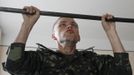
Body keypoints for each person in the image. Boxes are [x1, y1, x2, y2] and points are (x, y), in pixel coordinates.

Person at [3, 6, 132, 75]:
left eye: (74, 25)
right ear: (54, 36)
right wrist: (27, 24)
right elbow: (13, 65)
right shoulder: (39, 59)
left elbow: (123, 72)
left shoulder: (93, 60)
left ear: (79, 37)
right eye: (62, 25)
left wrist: (111, 31)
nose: (70, 26)